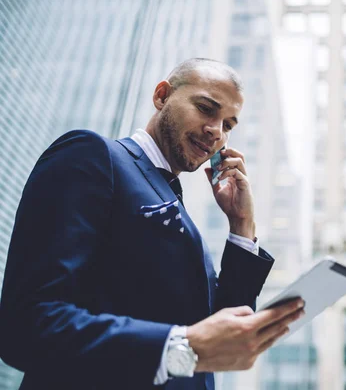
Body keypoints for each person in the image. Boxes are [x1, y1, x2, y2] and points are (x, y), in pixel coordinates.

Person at [0, 58, 304, 390]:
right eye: (206, 108)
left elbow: (219, 335)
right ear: (161, 96)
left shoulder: (178, 206)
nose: (216, 132)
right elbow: (26, 323)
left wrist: (242, 225)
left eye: (228, 125)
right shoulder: (93, 156)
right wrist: (180, 346)